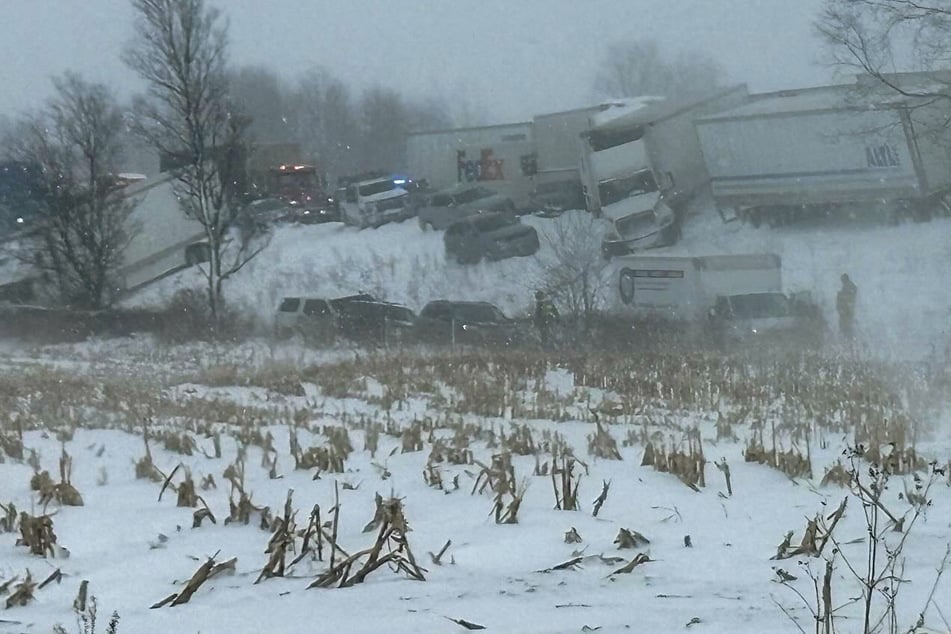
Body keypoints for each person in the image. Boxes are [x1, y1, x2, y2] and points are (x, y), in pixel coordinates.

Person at [836, 273, 858, 341]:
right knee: (847, 329)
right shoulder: (849, 287)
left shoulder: (848, 288)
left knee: (846, 330)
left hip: (846, 313)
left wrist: (840, 296)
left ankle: (847, 341)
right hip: (846, 313)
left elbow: (847, 298)